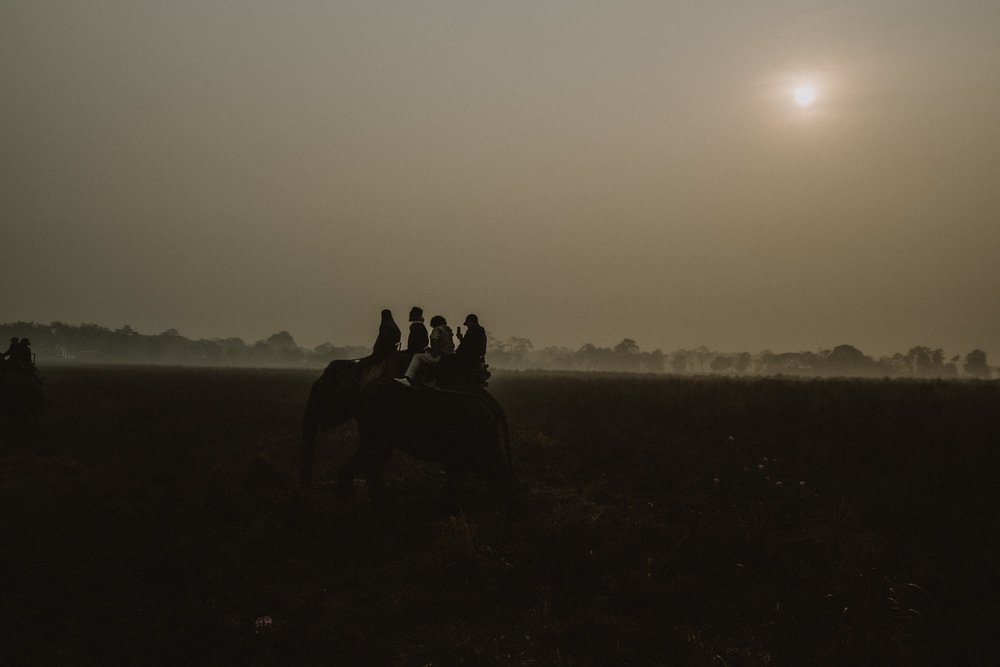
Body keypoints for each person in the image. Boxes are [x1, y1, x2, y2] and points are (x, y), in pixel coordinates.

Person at [395, 315, 454, 387]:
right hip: (446, 356)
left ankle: (408, 378)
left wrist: (434, 351)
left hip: (439, 356)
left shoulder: (437, 329)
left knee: (417, 356)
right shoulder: (447, 331)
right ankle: (432, 381)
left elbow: (434, 339)